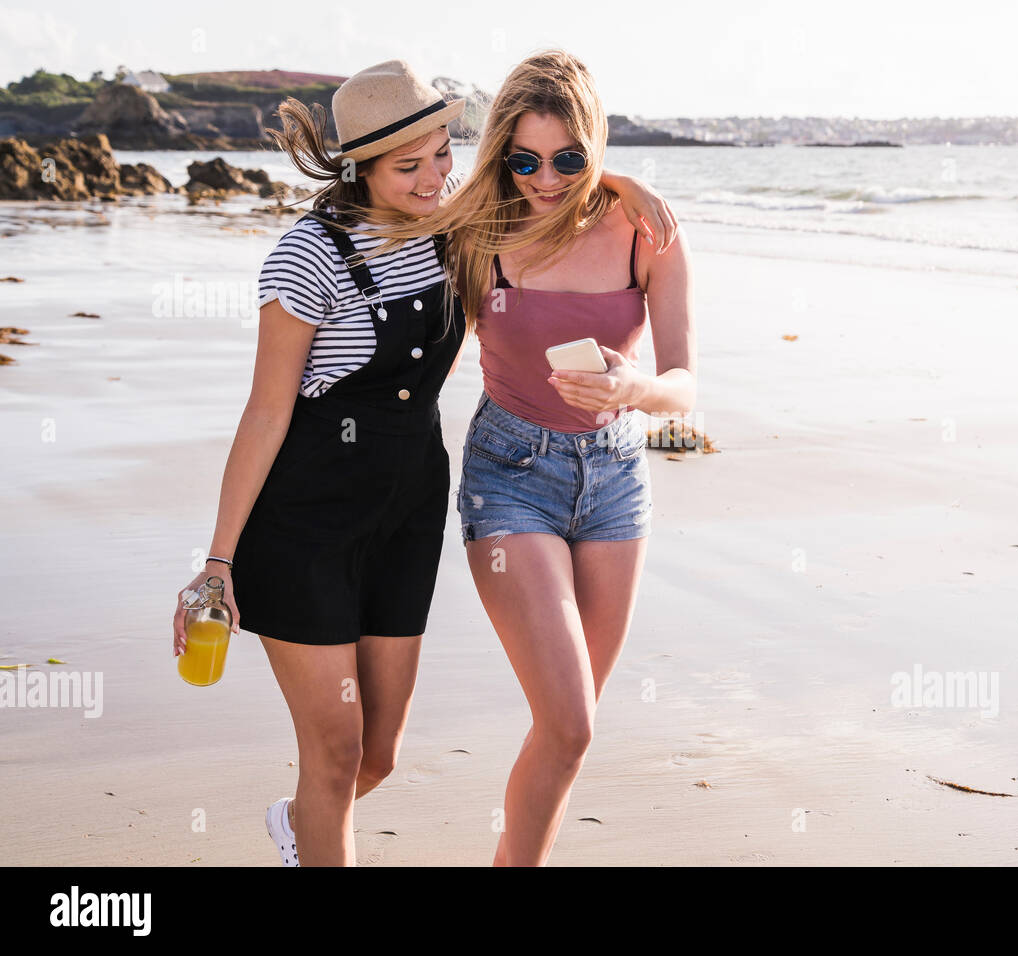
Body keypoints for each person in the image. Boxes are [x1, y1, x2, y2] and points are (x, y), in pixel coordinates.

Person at [170, 58, 678, 867]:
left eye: (442, 153)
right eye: (409, 165)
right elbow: (266, 412)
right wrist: (218, 561)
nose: (435, 176)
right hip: (305, 526)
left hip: (406, 520)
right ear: (359, 167)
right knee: (335, 755)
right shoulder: (308, 257)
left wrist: (614, 178)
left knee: (378, 755)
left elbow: (539, 179)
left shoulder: (453, 228)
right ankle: (315, 837)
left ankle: (296, 828)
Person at [369, 49, 696, 865]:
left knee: (570, 731)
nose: (545, 180)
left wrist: (635, 388)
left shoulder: (645, 229)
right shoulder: (479, 228)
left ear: (594, 146)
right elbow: (386, 196)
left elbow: (686, 386)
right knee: (571, 718)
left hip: (618, 479)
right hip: (508, 476)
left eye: (568, 160)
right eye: (522, 160)